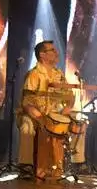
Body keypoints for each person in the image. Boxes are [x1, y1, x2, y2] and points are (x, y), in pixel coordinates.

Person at [19, 41, 73, 181]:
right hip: (35, 114)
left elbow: (70, 95)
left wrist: (67, 109)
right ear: (42, 55)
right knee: (27, 127)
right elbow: (27, 103)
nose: (56, 53)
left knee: (77, 124)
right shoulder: (34, 74)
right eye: (52, 50)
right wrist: (41, 118)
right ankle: (27, 166)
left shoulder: (59, 74)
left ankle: (68, 165)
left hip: (54, 114)